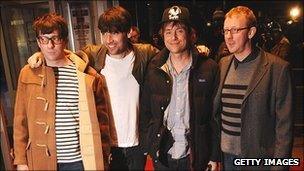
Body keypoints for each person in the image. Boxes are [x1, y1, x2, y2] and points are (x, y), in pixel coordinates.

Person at [13, 13, 111, 170]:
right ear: (38, 42)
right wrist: (21, 161)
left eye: (55, 39)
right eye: (44, 39)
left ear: (65, 40)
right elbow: (20, 121)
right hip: (42, 160)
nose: (50, 45)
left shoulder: (87, 75)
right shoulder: (28, 73)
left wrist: (104, 156)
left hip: (80, 161)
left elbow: (102, 123)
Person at [214, 6, 294, 170]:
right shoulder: (222, 64)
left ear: (251, 32)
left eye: (235, 30)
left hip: (259, 159)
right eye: (226, 30)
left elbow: (284, 127)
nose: (228, 36)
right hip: (226, 157)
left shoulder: (277, 68)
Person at [141, 5, 220, 170]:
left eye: (179, 31)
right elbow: (146, 111)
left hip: (195, 155)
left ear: (191, 35)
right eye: (168, 32)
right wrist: (150, 144)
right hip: (163, 155)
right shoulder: (154, 67)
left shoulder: (209, 68)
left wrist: (214, 155)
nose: (173, 37)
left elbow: (215, 116)